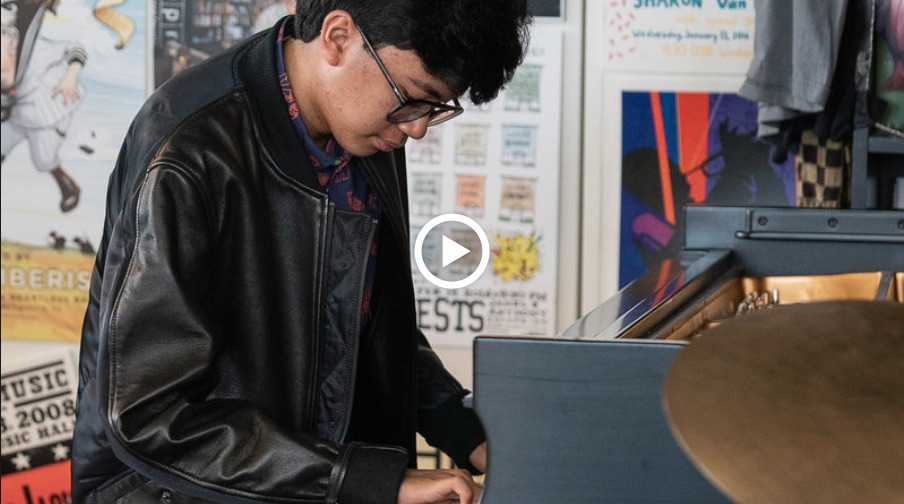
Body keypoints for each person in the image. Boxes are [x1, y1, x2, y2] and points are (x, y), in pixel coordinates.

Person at [71, 1, 531, 503]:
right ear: (337, 37)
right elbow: (147, 414)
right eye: (414, 98)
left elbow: (358, 317)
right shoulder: (188, 152)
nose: (416, 128)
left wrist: (464, 430)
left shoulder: (367, 125)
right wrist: (366, 480)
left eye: (436, 108)